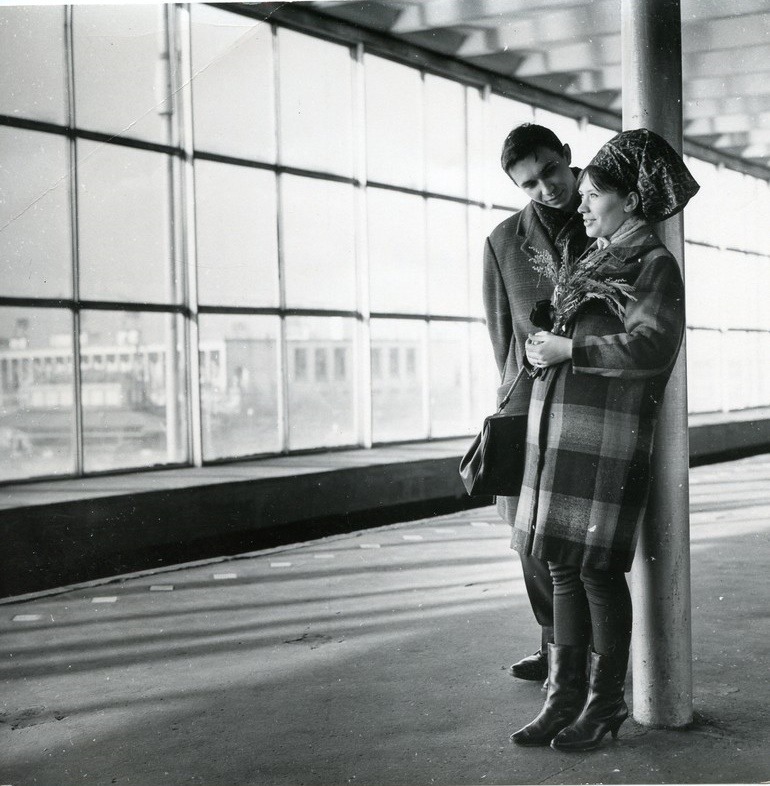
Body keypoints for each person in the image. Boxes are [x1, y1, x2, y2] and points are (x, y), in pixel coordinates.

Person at [509, 128, 699, 751]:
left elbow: (652, 347)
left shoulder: (652, 264)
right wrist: (545, 354)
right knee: (563, 566)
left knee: (595, 571)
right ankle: (563, 698)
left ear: (632, 200)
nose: (580, 206)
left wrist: (573, 348)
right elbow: (565, 341)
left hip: (606, 442)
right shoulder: (592, 259)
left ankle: (604, 702)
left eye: (593, 196)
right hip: (563, 437)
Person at [483, 124, 591, 684]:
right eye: (529, 184)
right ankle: (553, 644)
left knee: (588, 537)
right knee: (527, 534)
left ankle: (593, 652)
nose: (546, 188)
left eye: (551, 171)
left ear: (568, 159)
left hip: (595, 399)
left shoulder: (608, 220)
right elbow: (501, 335)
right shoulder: (503, 241)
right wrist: (508, 404)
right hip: (527, 402)